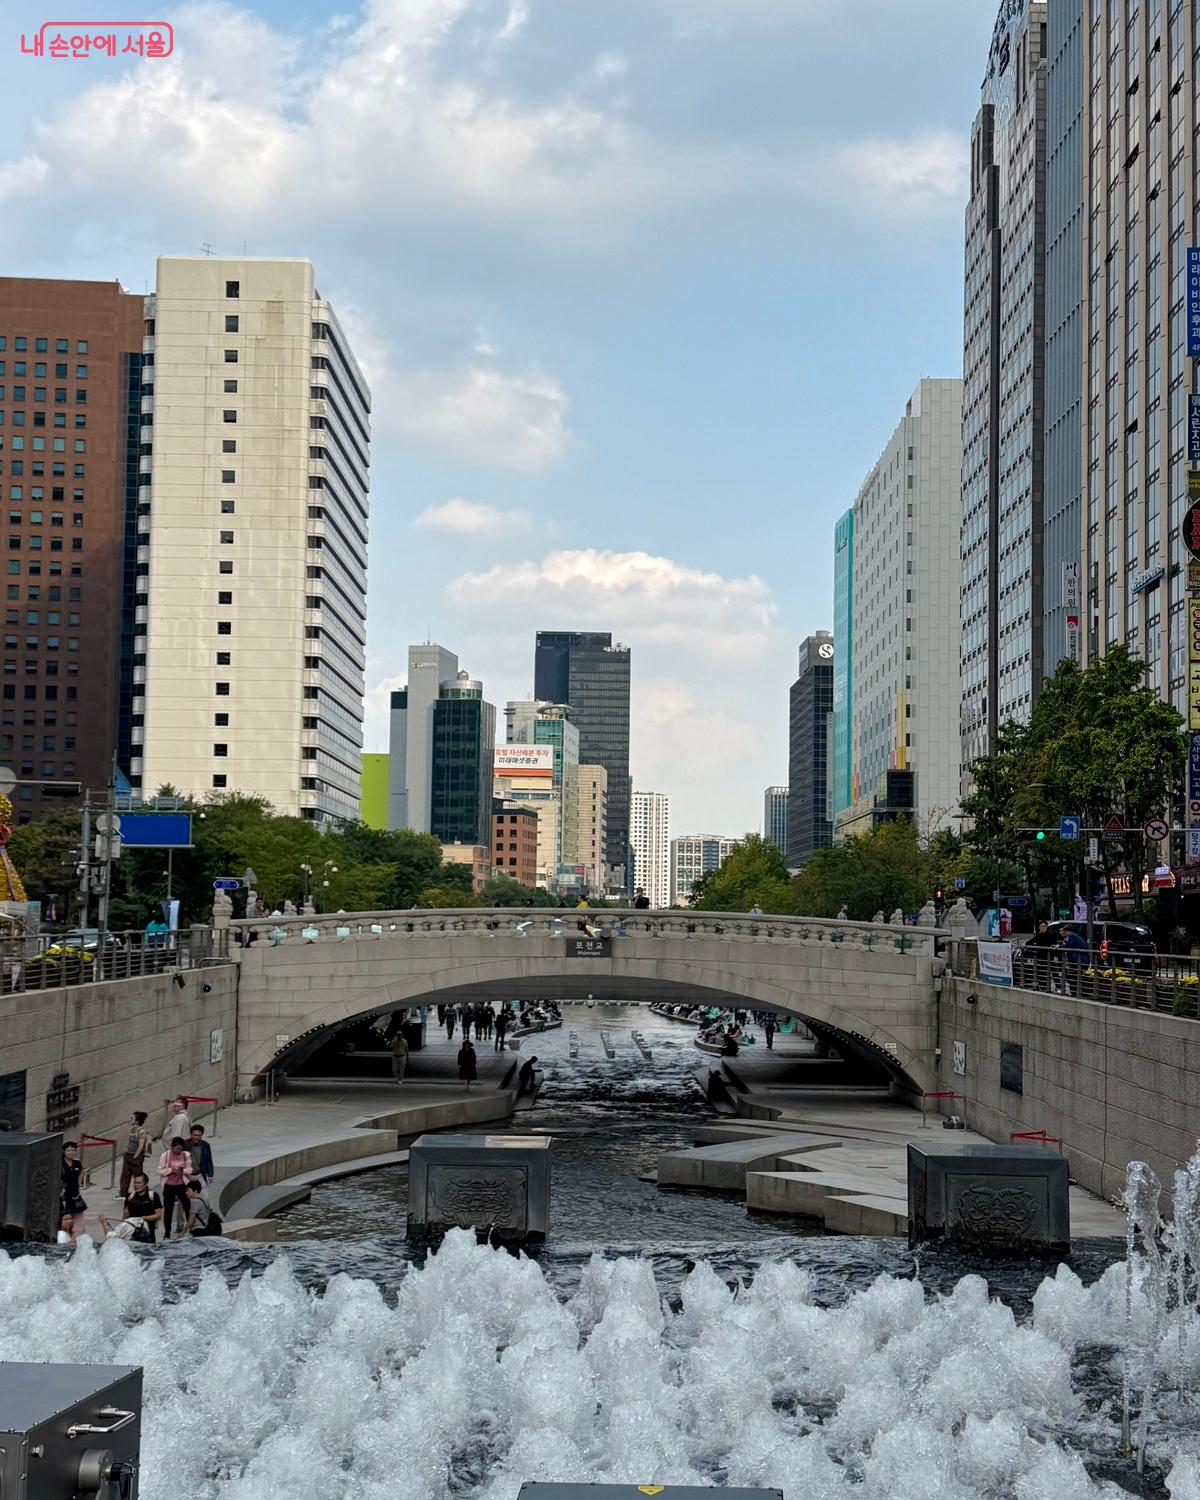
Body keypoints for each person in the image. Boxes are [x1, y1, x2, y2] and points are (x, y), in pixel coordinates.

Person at [157, 1135, 193, 1237]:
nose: (178, 1151)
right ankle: (167, 1232)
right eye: (177, 1149)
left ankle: (190, 1228)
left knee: (187, 1206)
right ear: (172, 1147)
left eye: (181, 1149)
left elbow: (190, 1170)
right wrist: (171, 1170)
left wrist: (182, 1170)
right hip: (169, 1185)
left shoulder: (186, 1155)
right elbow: (159, 1170)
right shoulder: (166, 1155)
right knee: (168, 1209)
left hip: (181, 1184)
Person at [122, 1172, 163, 1243]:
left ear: (146, 1184)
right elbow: (125, 1217)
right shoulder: (130, 1197)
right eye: (135, 1183)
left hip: (148, 1235)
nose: (136, 1185)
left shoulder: (153, 1196)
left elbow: (158, 1216)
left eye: (139, 1183)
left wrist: (142, 1218)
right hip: (132, 1236)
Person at [119, 1110, 152, 1198]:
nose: (130, 1120)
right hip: (128, 1154)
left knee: (138, 1175)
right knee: (125, 1175)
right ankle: (123, 1193)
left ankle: (143, 1191)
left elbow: (140, 1146)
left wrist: (135, 1156)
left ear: (137, 1121)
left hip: (135, 1156)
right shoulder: (132, 1130)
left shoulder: (141, 1132)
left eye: (132, 1118)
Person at [61, 1141, 87, 1235]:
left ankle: (77, 1235)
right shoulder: (60, 1164)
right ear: (64, 1152)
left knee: (79, 1218)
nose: (71, 1152)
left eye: (73, 1150)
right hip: (64, 1196)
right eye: (68, 1150)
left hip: (75, 1195)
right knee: (66, 1219)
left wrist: (79, 1184)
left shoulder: (77, 1163)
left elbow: (81, 1172)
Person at [1059, 924, 1089, 995]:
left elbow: (1068, 945)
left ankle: (1077, 992)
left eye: (1065, 932)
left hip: (1079, 961)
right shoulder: (1075, 936)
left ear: (1068, 931)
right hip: (1080, 961)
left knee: (1075, 977)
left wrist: (1059, 946)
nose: (1064, 933)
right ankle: (1077, 992)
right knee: (1076, 976)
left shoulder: (1073, 936)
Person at [187, 1124, 215, 1189]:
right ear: (191, 1134)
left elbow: (208, 1160)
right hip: (187, 1175)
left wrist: (210, 1175)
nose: (196, 1137)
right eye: (194, 1135)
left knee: (204, 1196)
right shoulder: (185, 1145)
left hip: (200, 1174)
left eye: (199, 1135)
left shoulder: (205, 1145)